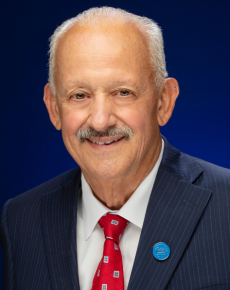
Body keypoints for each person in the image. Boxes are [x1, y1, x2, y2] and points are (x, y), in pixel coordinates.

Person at [1, 6, 230, 290]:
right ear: (54, 108)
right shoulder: (21, 220)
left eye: (123, 92)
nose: (100, 121)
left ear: (163, 102)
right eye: (79, 95)